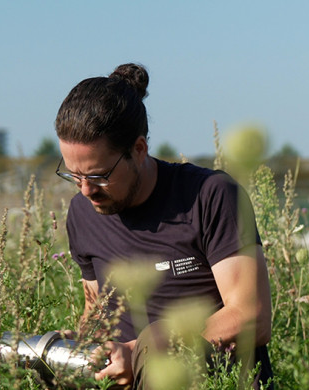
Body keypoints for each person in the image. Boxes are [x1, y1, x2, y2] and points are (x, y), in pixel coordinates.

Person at [54, 63, 273, 389]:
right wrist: (80, 344)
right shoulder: (82, 212)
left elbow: (251, 316)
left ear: (139, 150)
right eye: (74, 175)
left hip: (212, 381)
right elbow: (97, 308)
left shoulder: (209, 196)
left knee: (154, 337)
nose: (86, 190)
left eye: (99, 175)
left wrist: (144, 352)